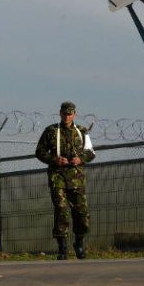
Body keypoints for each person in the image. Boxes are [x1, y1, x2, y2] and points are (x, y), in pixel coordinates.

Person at [35, 101, 96, 260]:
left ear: (74, 114)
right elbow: (39, 151)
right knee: (61, 211)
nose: (67, 116)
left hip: (76, 179)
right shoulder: (51, 131)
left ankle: (79, 243)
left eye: (69, 114)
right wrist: (54, 159)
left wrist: (80, 159)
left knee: (81, 213)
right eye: (64, 113)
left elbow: (91, 152)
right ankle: (62, 248)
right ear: (60, 113)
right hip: (58, 177)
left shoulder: (82, 131)